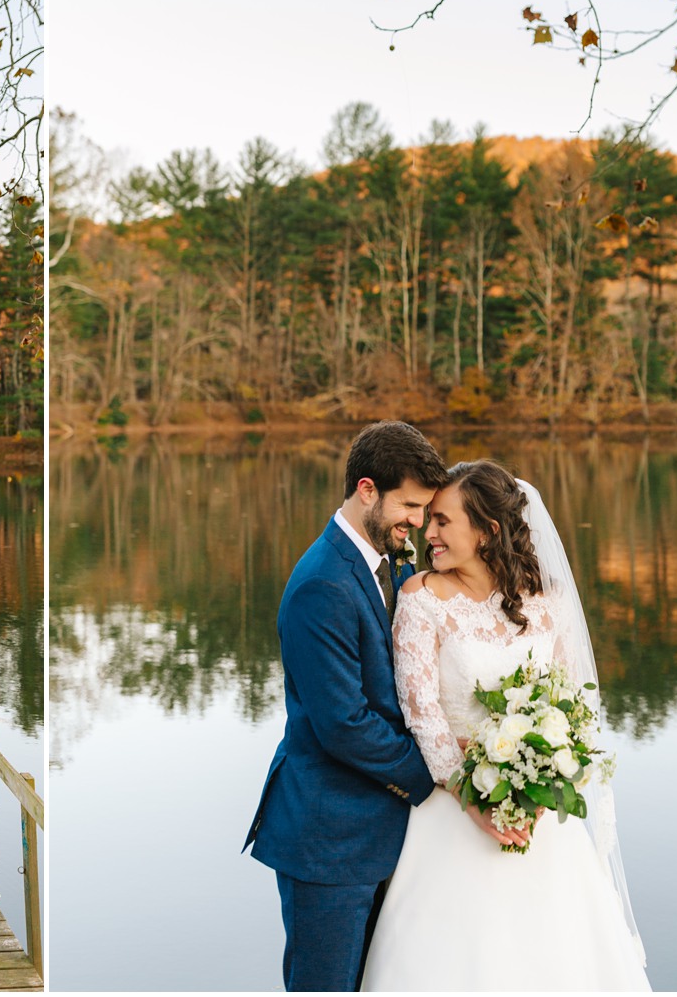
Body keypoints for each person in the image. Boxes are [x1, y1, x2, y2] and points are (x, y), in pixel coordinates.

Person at [361, 460, 648, 990]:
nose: (429, 532)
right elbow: (422, 716)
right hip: (452, 812)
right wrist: (477, 804)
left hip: (541, 821)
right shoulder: (420, 599)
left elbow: (570, 710)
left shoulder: (546, 601)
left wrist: (539, 788)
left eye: (444, 521)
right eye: (429, 520)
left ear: (488, 530)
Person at [243, 420, 452, 991]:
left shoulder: (391, 563)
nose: (417, 521)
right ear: (367, 490)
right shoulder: (322, 584)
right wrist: (440, 775)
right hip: (329, 841)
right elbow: (344, 723)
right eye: (409, 505)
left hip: (386, 835)